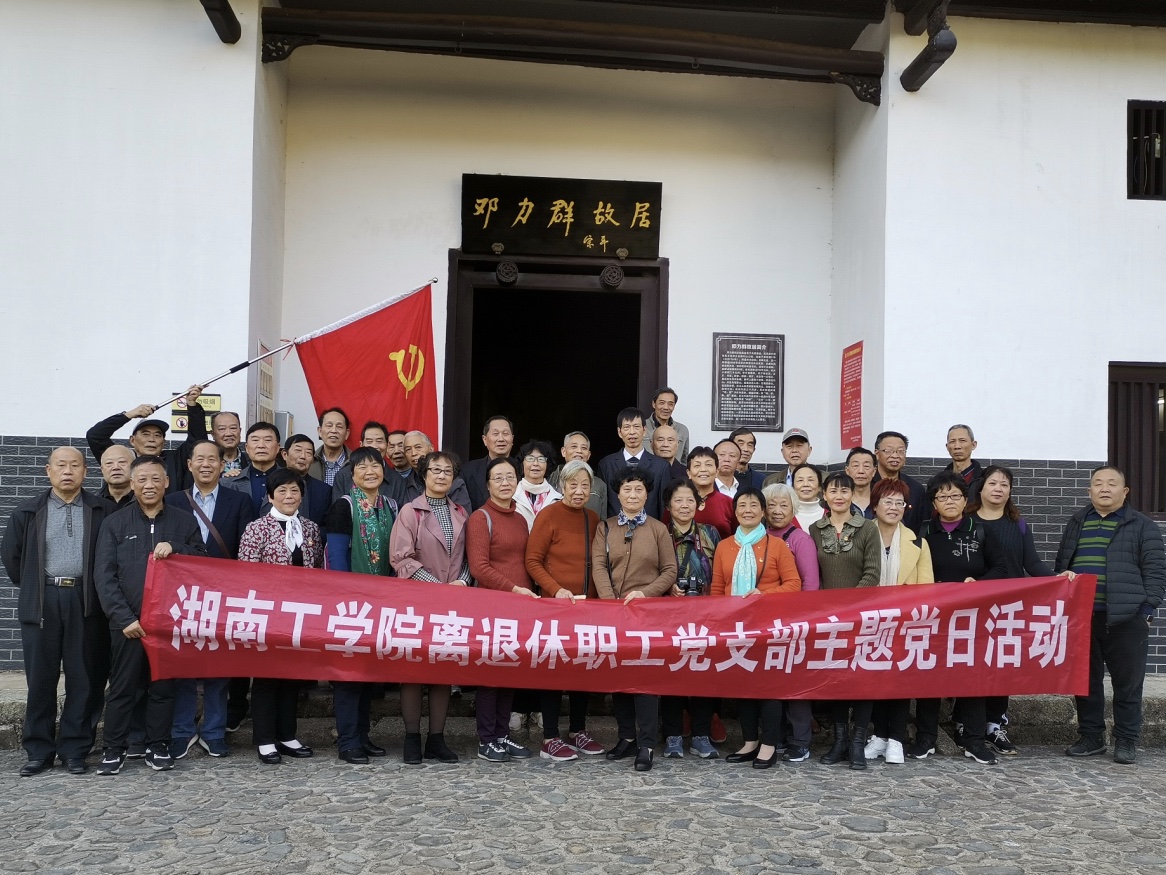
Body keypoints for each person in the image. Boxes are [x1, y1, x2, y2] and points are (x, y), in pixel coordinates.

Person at [2, 447, 114, 777]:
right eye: (61, 465)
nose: (68, 471)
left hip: (86, 600)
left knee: (84, 678)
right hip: (43, 600)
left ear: (85, 472)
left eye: (75, 465)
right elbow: (12, 559)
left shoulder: (102, 510)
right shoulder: (27, 511)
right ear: (48, 471)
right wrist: (37, 584)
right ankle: (38, 751)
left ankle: (74, 750)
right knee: (41, 678)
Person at [93, 455, 207, 775]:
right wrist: (124, 618)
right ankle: (114, 749)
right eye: (142, 479)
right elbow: (104, 576)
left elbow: (202, 563)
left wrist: (177, 548)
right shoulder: (115, 523)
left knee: (163, 689)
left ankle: (158, 746)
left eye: (156, 479)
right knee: (122, 688)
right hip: (128, 624)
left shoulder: (184, 521)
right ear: (132, 484)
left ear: (167, 482)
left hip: (167, 624)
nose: (149, 485)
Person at [1055, 465, 1165, 766]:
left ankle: (1126, 740)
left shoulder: (1142, 525)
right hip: (1082, 616)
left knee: (1128, 683)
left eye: (1112, 483)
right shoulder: (1077, 522)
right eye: (1098, 483)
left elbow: (1155, 572)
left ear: (1124, 491)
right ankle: (1091, 737)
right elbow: (1062, 564)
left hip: (1127, 618)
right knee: (1085, 680)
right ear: (1089, 490)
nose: (1104, 488)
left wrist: (1146, 611)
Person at [164, 440, 257, 759]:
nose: (206, 464)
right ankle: (182, 730)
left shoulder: (240, 500)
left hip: (223, 595)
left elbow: (244, 550)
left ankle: (214, 731)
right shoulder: (173, 500)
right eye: (199, 459)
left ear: (222, 465)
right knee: (183, 664)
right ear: (189, 464)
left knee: (219, 664)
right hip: (183, 595)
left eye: (212, 459)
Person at [914, 473, 1007, 765]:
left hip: (972, 618)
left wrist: (978, 584)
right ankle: (925, 737)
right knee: (929, 676)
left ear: (965, 500)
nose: (949, 501)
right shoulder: (923, 532)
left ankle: (974, 740)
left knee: (972, 677)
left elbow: (1001, 568)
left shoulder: (980, 531)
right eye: (942, 497)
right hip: (934, 617)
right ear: (934, 503)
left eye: (955, 496)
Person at [593, 468, 678, 771]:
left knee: (644, 680)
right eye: (627, 489)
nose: (632, 495)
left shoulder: (658, 529)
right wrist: (610, 603)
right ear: (618, 494)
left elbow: (670, 570)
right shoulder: (605, 527)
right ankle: (626, 736)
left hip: (647, 615)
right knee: (618, 678)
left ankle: (646, 744)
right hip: (614, 614)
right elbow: (599, 566)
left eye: (638, 489)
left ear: (647, 494)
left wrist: (645, 593)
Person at [237, 467, 324, 765]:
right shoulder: (256, 528)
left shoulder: (310, 528)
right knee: (266, 677)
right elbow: (246, 573)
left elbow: (318, 570)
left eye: (294, 490)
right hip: (267, 613)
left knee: (292, 676)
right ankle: (264, 739)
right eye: (282, 491)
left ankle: (287, 735)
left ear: (302, 495)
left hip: (300, 615)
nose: (289, 496)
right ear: (270, 496)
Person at [389, 450, 471, 764]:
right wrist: (437, 587)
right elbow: (401, 558)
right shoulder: (410, 511)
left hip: (452, 604)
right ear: (423, 475)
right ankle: (412, 738)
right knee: (413, 671)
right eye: (435, 470)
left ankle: (437, 738)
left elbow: (468, 558)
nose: (441, 475)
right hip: (418, 603)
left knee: (442, 670)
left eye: (447, 471)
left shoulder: (460, 512)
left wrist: (462, 581)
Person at [967, 464, 1052, 756]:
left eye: (1004, 484)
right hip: (973, 608)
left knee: (1001, 667)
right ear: (981, 488)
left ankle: (995, 725)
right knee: (972, 666)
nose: (998, 489)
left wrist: (1060, 579)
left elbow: (1033, 563)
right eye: (993, 483)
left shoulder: (1018, 524)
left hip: (1008, 609)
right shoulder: (967, 521)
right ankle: (967, 724)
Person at [714, 488, 802, 769]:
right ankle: (750, 741)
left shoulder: (777, 546)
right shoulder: (724, 547)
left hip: (769, 627)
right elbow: (717, 588)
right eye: (742, 505)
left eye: (754, 505)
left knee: (768, 687)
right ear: (735, 511)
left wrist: (764, 596)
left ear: (763, 512)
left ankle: (769, 745)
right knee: (743, 686)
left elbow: (794, 584)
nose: (748, 510)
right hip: (735, 628)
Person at [525, 459, 604, 761]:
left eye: (585, 485)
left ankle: (578, 730)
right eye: (573, 484)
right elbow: (532, 560)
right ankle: (549, 737)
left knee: (583, 670)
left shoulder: (592, 518)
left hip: (586, 608)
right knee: (554, 671)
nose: (579, 490)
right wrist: (555, 589)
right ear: (562, 486)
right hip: (555, 607)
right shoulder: (548, 515)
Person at [323, 447, 398, 765]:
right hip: (351, 605)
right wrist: (348, 599)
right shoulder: (344, 506)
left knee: (369, 674)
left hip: (382, 603)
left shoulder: (391, 505)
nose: (370, 471)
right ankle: (347, 741)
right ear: (351, 474)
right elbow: (336, 558)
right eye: (362, 467)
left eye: (375, 465)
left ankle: (363, 736)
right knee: (349, 675)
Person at [857, 479, 934, 767]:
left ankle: (897, 739)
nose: (893, 507)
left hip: (905, 623)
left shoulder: (918, 543)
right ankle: (879, 735)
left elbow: (926, 588)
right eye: (887, 501)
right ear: (874, 506)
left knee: (900, 681)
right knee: (874, 680)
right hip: (870, 622)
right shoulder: (861, 536)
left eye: (899, 502)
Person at [465, 457, 537, 764]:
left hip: (519, 608)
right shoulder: (480, 518)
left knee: (509, 671)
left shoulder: (519, 518)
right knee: (490, 674)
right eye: (498, 478)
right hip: (492, 607)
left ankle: (502, 734)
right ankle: (486, 739)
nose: (505, 483)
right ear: (488, 485)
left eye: (510, 477)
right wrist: (514, 589)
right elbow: (479, 567)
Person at [809, 471, 880, 769]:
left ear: (853, 494)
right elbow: (814, 575)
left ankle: (858, 742)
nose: (839, 496)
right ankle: (840, 741)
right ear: (824, 495)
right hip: (829, 619)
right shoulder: (814, 529)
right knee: (837, 678)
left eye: (844, 491)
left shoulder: (868, 528)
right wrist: (828, 609)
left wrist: (849, 608)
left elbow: (872, 573)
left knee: (862, 679)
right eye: (833, 491)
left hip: (861, 616)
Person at [660, 479, 722, 760]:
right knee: (671, 675)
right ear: (668, 505)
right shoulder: (659, 533)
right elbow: (650, 570)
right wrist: (667, 586)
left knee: (703, 675)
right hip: (668, 616)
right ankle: (672, 735)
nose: (684, 506)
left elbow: (721, 570)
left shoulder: (710, 533)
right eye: (678, 500)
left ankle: (700, 735)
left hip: (706, 615)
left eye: (689, 500)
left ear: (698, 504)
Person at [86, 384, 207, 494]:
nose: (152, 439)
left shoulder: (175, 460)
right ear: (132, 440)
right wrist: (129, 414)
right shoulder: (122, 460)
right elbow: (95, 436)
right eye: (145, 434)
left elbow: (197, 442)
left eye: (157, 435)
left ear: (163, 442)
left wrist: (191, 404)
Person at [596, 407, 672, 519]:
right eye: (627, 427)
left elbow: (663, 507)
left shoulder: (661, 466)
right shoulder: (606, 464)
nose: (632, 432)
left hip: (649, 527)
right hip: (615, 527)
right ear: (619, 432)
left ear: (644, 430)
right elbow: (602, 505)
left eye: (636, 427)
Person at [330, 421, 408, 508]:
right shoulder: (343, 475)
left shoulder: (397, 480)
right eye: (369, 441)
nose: (374, 446)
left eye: (379, 441)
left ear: (387, 445)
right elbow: (336, 510)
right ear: (361, 445)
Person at [762, 483, 820, 591]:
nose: (777, 511)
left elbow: (810, 583)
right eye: (771, 505)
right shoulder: (760, 536)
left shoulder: (801, 540)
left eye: (784, 506)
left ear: (793, 509)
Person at [402, 431, 473, 515]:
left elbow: (462, 516)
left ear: (431, 448)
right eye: (408, 449)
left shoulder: (453, 482)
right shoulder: (403, 484)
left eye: (418, 447)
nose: (413, 453)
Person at [871, 431, 927, 534]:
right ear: (877, 454)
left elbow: (920, 525)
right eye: (888, 450)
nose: (895, 455)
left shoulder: (916, 489)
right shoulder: (866, 484)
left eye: (901, 451)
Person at [462, 415, 516, 511]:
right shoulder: (467, 471)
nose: (501, 439)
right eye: (495, 434)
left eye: (505, 433)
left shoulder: (523, 469)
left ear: (512, 439)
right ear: (485, 440)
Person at [281, 433, 336, 528]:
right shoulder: (271, 483)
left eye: (308, 453)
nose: (303, 456)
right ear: (285, 454)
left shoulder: (324, 490)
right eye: (298, 450)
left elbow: (327, 526)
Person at [547, 431, 607, 516]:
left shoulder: (600, 485)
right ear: (563, 451)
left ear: (589, 455)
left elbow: (603, 521)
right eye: (574, 446)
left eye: (584, 448)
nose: (579, 451)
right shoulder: (549, 480)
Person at [229, 422, 284, 515]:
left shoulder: (294, 482)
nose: (261, 445)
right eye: (255, 440)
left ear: (278, 447)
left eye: (268, 440)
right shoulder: (230, 482)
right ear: (246, 448)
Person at [683, 446, 734, 538]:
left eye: (708, 465)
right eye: (697, 465)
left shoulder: (729, 503)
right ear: (689, 473)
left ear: (717, 471)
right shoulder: (677, 502)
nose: (703, 469)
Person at [513, 439, 562, 529]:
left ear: (548, 464)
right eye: (530, 458)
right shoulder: (511, 497)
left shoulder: (558, 500)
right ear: (522, 463)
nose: (535, 463)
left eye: (541, 459)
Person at [643, 386, 690, 464]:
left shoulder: (682, 430)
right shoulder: (642, 427)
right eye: (662, 403)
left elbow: (684, 460)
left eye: (670, 404)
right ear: (654, 404)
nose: (666, 407)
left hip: (674, 471)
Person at [308, 407, 350, 486]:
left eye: (339, 427)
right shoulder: (309, 461)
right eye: (329, 425)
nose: (334, 430)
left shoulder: (356, 462)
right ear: (320, 431)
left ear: (347, 434)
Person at [940, 424, 983, 502]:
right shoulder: (939, 480)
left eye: (962, 441)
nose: (957, 446)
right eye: (952, 441)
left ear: (973, 445)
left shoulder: (983, 480)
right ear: (947, 447)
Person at [210, 411, 248, 480]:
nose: (228, 434)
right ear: (213, 434)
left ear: (240, 431)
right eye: (222, 429)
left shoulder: (251, 460)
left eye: (233, 428)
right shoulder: (206, 462)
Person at [98, 444, 136, 509]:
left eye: (122, 462)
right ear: (102, 469)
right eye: (109, 463)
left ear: (134, 467)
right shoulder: (94, 503)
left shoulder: (145, 500)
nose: (116, 467)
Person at [791, 463, 825, 531]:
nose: (805, 484)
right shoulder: (785, 517)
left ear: (820, 487)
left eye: (810, 480)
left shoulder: (830, 516)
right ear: (793, 487)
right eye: (800, 480)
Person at [845, 447, 877, 518]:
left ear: (874, 471)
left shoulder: (881, 500)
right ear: (847, 471)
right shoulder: (840, 501)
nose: (861, 471)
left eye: (866, 466)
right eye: (855, 466)